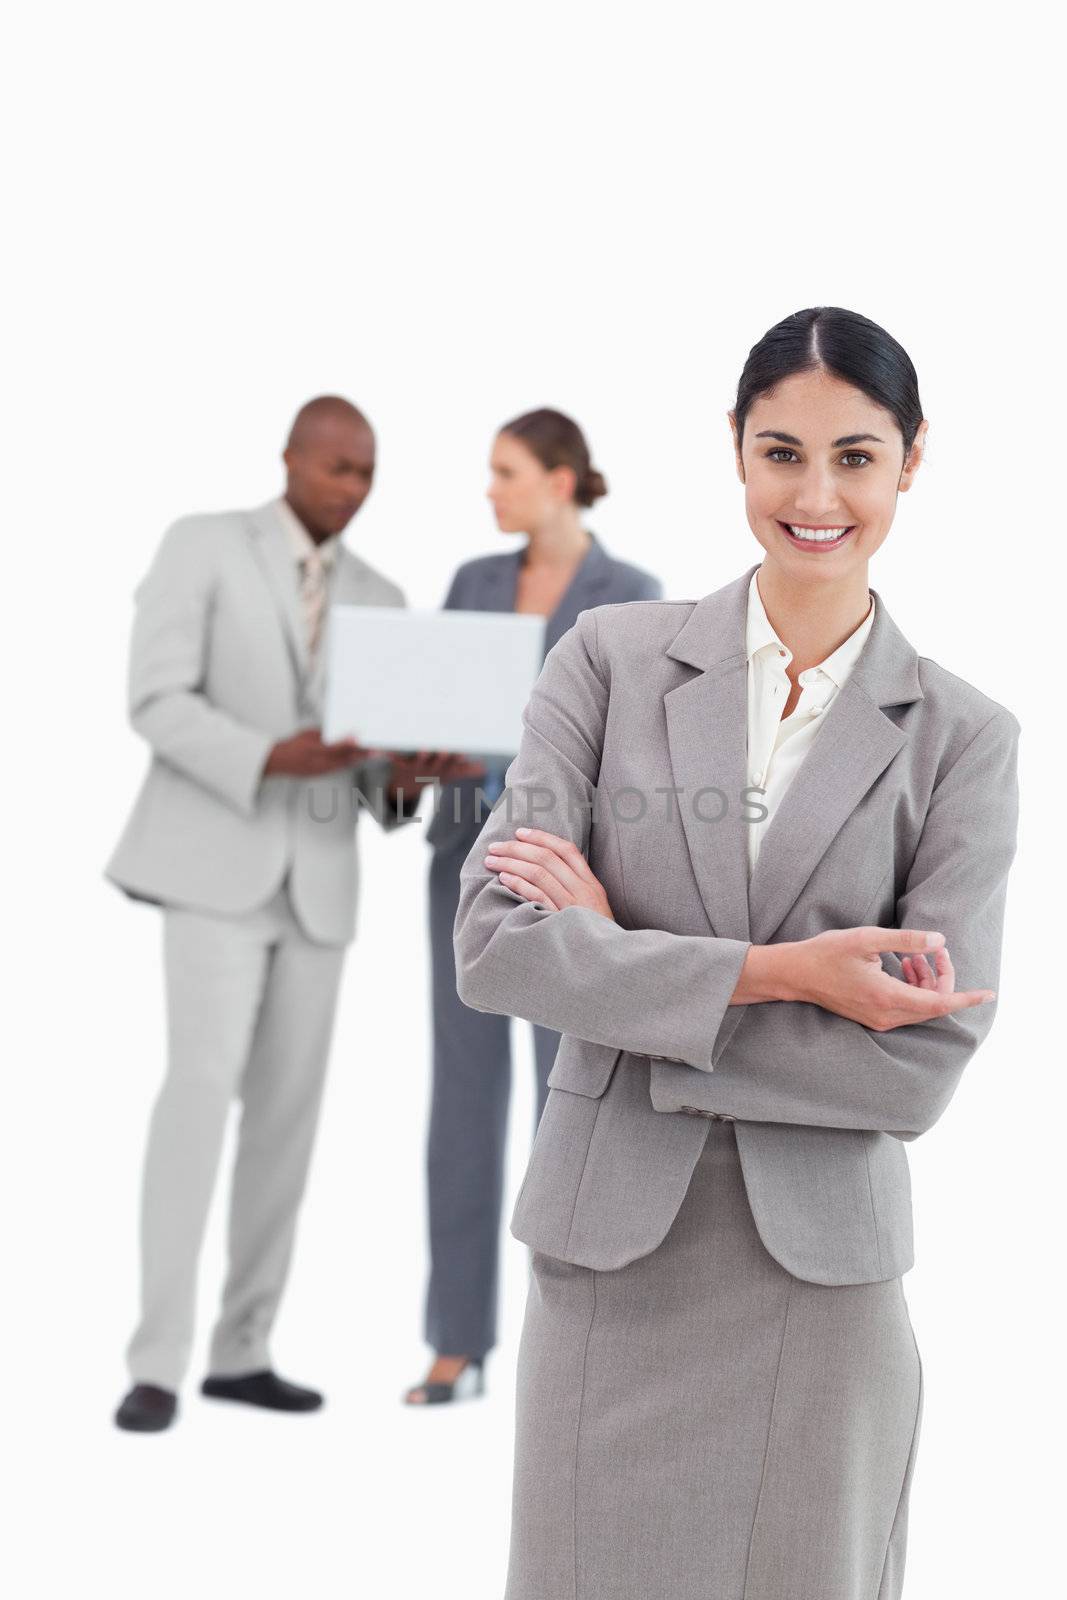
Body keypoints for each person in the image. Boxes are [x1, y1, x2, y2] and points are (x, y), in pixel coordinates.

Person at [453, 311, 1022, 1598]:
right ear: (733, 451)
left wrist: (618, 964)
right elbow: (495, 948)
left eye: (855, 458)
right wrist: (786, 977)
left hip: (816, 1287)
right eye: (780, 453)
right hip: (612, 1262)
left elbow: (913, 1068)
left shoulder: (961, 739)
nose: (815, 497)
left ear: (909, 462)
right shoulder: (606, 660)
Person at [106, 395, 465, 1432]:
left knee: (286, 1121)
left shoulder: (385, 598)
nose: (350, 487)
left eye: (366, 473)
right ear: (292, 459)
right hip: (212, 865)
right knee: (197, 1093)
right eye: (336, 466)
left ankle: (242, 1348)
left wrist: (412, 776)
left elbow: (379, 796)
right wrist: (271, 754)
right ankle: (155, 1361)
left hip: (318, 884)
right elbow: (155, 700)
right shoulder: (203, 546)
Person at [403, 409, 663, 1405]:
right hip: (459, 867)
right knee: (461, 1100)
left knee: (573, 1098)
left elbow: (624, 755)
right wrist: (409, 761)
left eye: (504, 471)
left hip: (564, 881)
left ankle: (579, 1328)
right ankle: (455, 1338)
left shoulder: (628, 597)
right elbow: (426, 716)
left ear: (557, 482)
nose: (489, 488)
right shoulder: (473, 583)